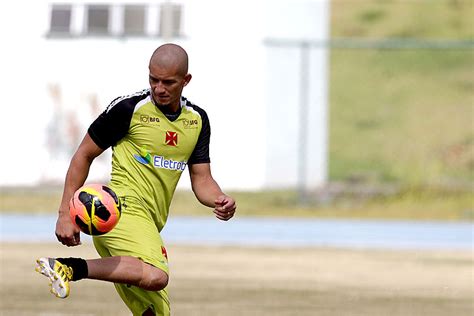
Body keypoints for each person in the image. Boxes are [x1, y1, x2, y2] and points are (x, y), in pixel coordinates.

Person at [35, 43, 237, 316]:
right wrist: (65, 214)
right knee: (157, 275)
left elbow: (202, 179)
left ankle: (73, 268)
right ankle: (69, 267)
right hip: (119, 210)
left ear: (186, 81)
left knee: (154, 312)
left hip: (150, 223)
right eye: (153, 79)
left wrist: (219, 199)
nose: (159, 88)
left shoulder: (197, 121)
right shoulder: (128, 109)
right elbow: (82, 155)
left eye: (168, 82)